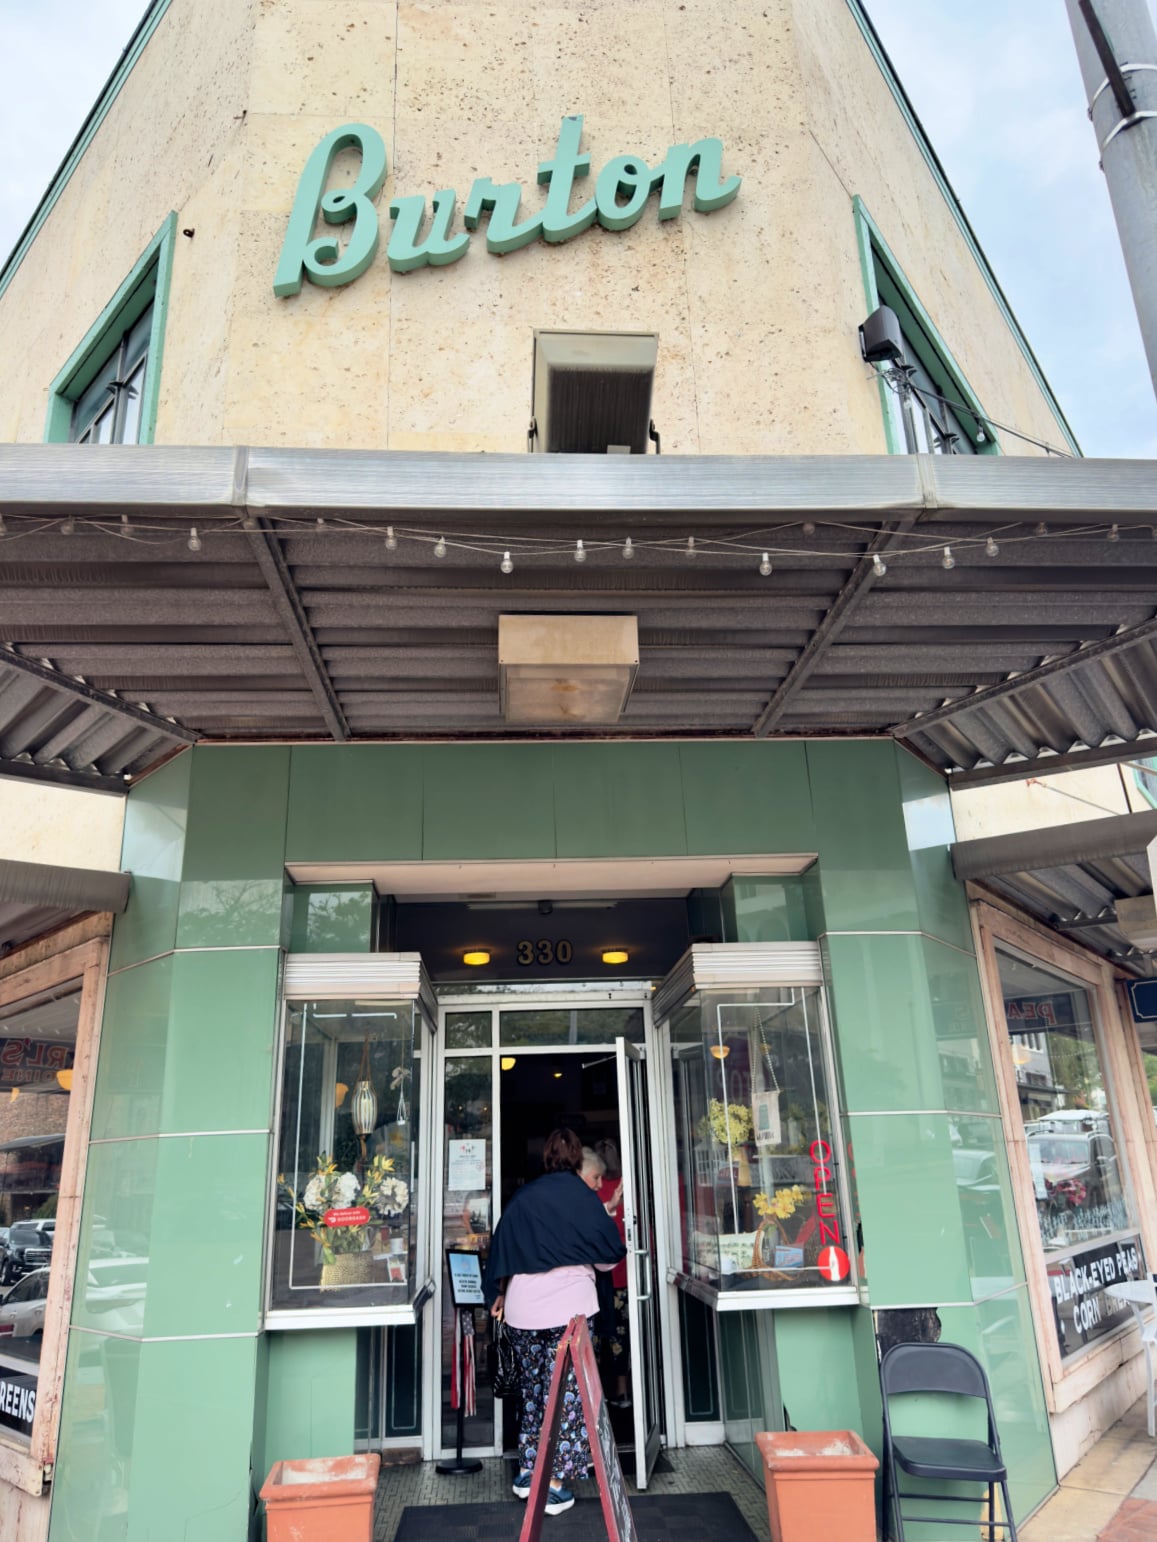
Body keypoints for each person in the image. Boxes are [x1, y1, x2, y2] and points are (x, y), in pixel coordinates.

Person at [484, 1127, 626, 1515]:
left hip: (522, 1312)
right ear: (578, 1159)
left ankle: (529, 1474)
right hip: (568, 1315)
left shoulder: (524, 1197)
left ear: (544, 1158)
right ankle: (555, 1485)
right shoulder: (583, 1198)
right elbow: (608, 1258)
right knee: (567, 1396)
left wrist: (494, 1295)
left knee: (533, 1394)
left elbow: (499, 1250)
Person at [593, 1139, 630, 1407]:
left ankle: (594, 1394)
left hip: (596, 1274)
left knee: (594, 1333)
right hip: (624, 1273)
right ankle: (622, 1390)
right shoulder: (627, 1186)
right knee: (620, 1335)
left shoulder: (591, 1190)